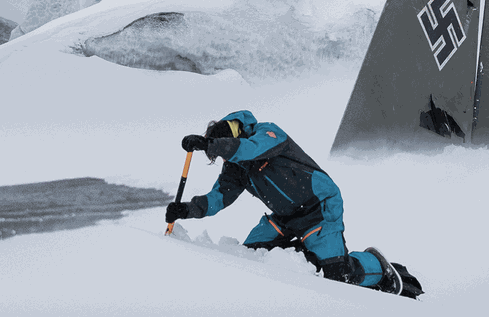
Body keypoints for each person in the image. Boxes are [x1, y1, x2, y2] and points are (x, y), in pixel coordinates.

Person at [165, 110, 409, 295]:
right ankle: (307, 252)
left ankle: (375, 266)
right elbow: (219, 197)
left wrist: (212, 145)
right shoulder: (236, 166)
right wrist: (186, 210)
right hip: (285, 216)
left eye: (223, 149)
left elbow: (252, 148)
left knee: (338, 276)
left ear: (232, 135)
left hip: (319, 207)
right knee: (251, 256)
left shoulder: (268, 133)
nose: (223, 157)